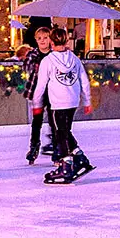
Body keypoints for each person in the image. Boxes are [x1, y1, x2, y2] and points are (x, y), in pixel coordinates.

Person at [33, 28, 94, 183]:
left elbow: (40, 85)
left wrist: (37, 103)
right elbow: (84, 81)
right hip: (73, 100)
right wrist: (87, 101)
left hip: (58, 102)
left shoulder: (47, 61)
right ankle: (80, 157)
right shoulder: (74, 58)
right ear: (67, 41)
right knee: (65, 131)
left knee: (60, 133)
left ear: (52, 42)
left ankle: (66, 165)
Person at [23, 23, 55, 162]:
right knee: (37, 121)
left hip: (53, 93)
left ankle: (57, 145)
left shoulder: (55, 54)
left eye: (45, 37)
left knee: (55, 120)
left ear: (50, 39)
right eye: (40, 38)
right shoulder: (33, 54)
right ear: (36, 40)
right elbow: (26, 68)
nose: (42, 40)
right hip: (37, 93)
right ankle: (34, 145)